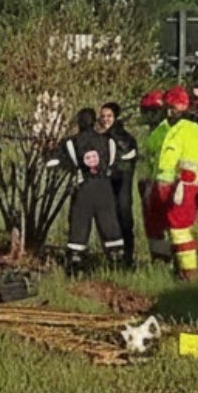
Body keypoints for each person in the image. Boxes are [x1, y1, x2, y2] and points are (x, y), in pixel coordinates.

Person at [47, 107, 126, 273]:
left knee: (79, 224)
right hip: (105, 188)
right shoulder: (108, 141)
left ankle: (75, 263)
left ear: (78, 122)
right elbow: (118, 162)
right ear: (95, 121)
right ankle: (117, 261)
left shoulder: (70, 142)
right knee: (109, 222)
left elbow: (52, 163)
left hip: (83, 188)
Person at [154, 86, 198, 280]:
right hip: (180, 187)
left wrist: (179, 182)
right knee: (176, 229)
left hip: (184, 187)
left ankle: (188, 274)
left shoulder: (185, 130)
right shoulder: (183, 128)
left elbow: (182, 160)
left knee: (179, 230)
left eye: (169, 108)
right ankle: (181, 269)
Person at [97, 101, 139, 266]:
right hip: (117, 189)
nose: (105, 119)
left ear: (115, 117)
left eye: (108, 116)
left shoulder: (121, 138)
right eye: (102, 116)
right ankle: (121, 257)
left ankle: (124, 258)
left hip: (120, 188)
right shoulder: (108, 137)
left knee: (122, 221)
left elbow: (123, 165)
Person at [138, 90, 170, 264]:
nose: (149, 116)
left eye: (152, 111)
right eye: (146, 111)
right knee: (152, 224)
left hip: (160, 183)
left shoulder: (166, 131)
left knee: (164, 223)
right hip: (146, 182)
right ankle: (158, 258)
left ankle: (166, 258)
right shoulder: (147, 132)